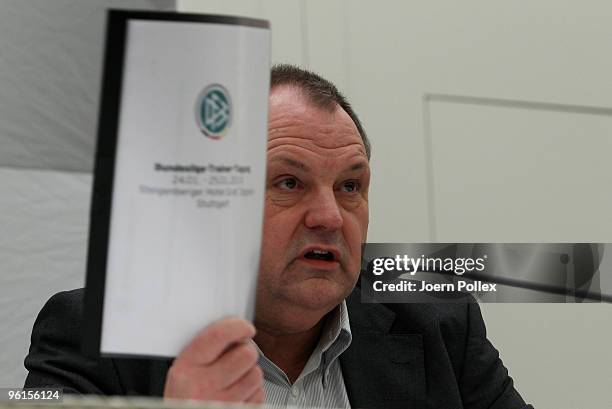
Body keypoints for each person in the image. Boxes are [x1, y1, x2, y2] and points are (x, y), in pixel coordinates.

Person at [24, 64, 533, 409]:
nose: (331, 217)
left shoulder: (438, 323)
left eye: (350, 186)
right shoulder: (96, 333)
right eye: (289, 183)